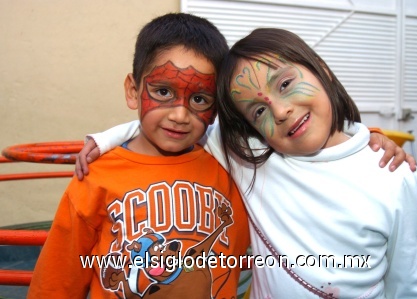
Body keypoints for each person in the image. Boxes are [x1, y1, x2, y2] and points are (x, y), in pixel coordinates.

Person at [74, 32, 417, 299]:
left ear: (324, 72)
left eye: (286, 84)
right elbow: (178, 121)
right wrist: (105, 138)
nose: (280, 110)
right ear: (252, 127)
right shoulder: (252, 159)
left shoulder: (394, 177)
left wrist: (369, 135)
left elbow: (407, 279)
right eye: (258, 111)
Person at [27, 13, 250, 299]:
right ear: (133, 91)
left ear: (216, 105)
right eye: (163, 91)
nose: (180, 115)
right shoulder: (97, 174)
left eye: (199, 99)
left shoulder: (232, 167)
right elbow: (57, 281)